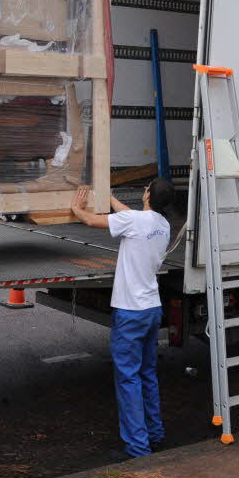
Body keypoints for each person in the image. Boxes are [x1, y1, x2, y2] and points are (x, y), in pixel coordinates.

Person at [69, 179, 175, 459]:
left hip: (130, 311)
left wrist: (77, 209)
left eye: (146, 189)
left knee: (128, 379)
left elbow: (93, 222)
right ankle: (155, 434)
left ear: (148, 194)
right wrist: (109, 196)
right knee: (147, 375)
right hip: (152, 308)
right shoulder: (162, 226)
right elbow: (131, 217)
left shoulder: (135, 221)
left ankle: (137, 448)